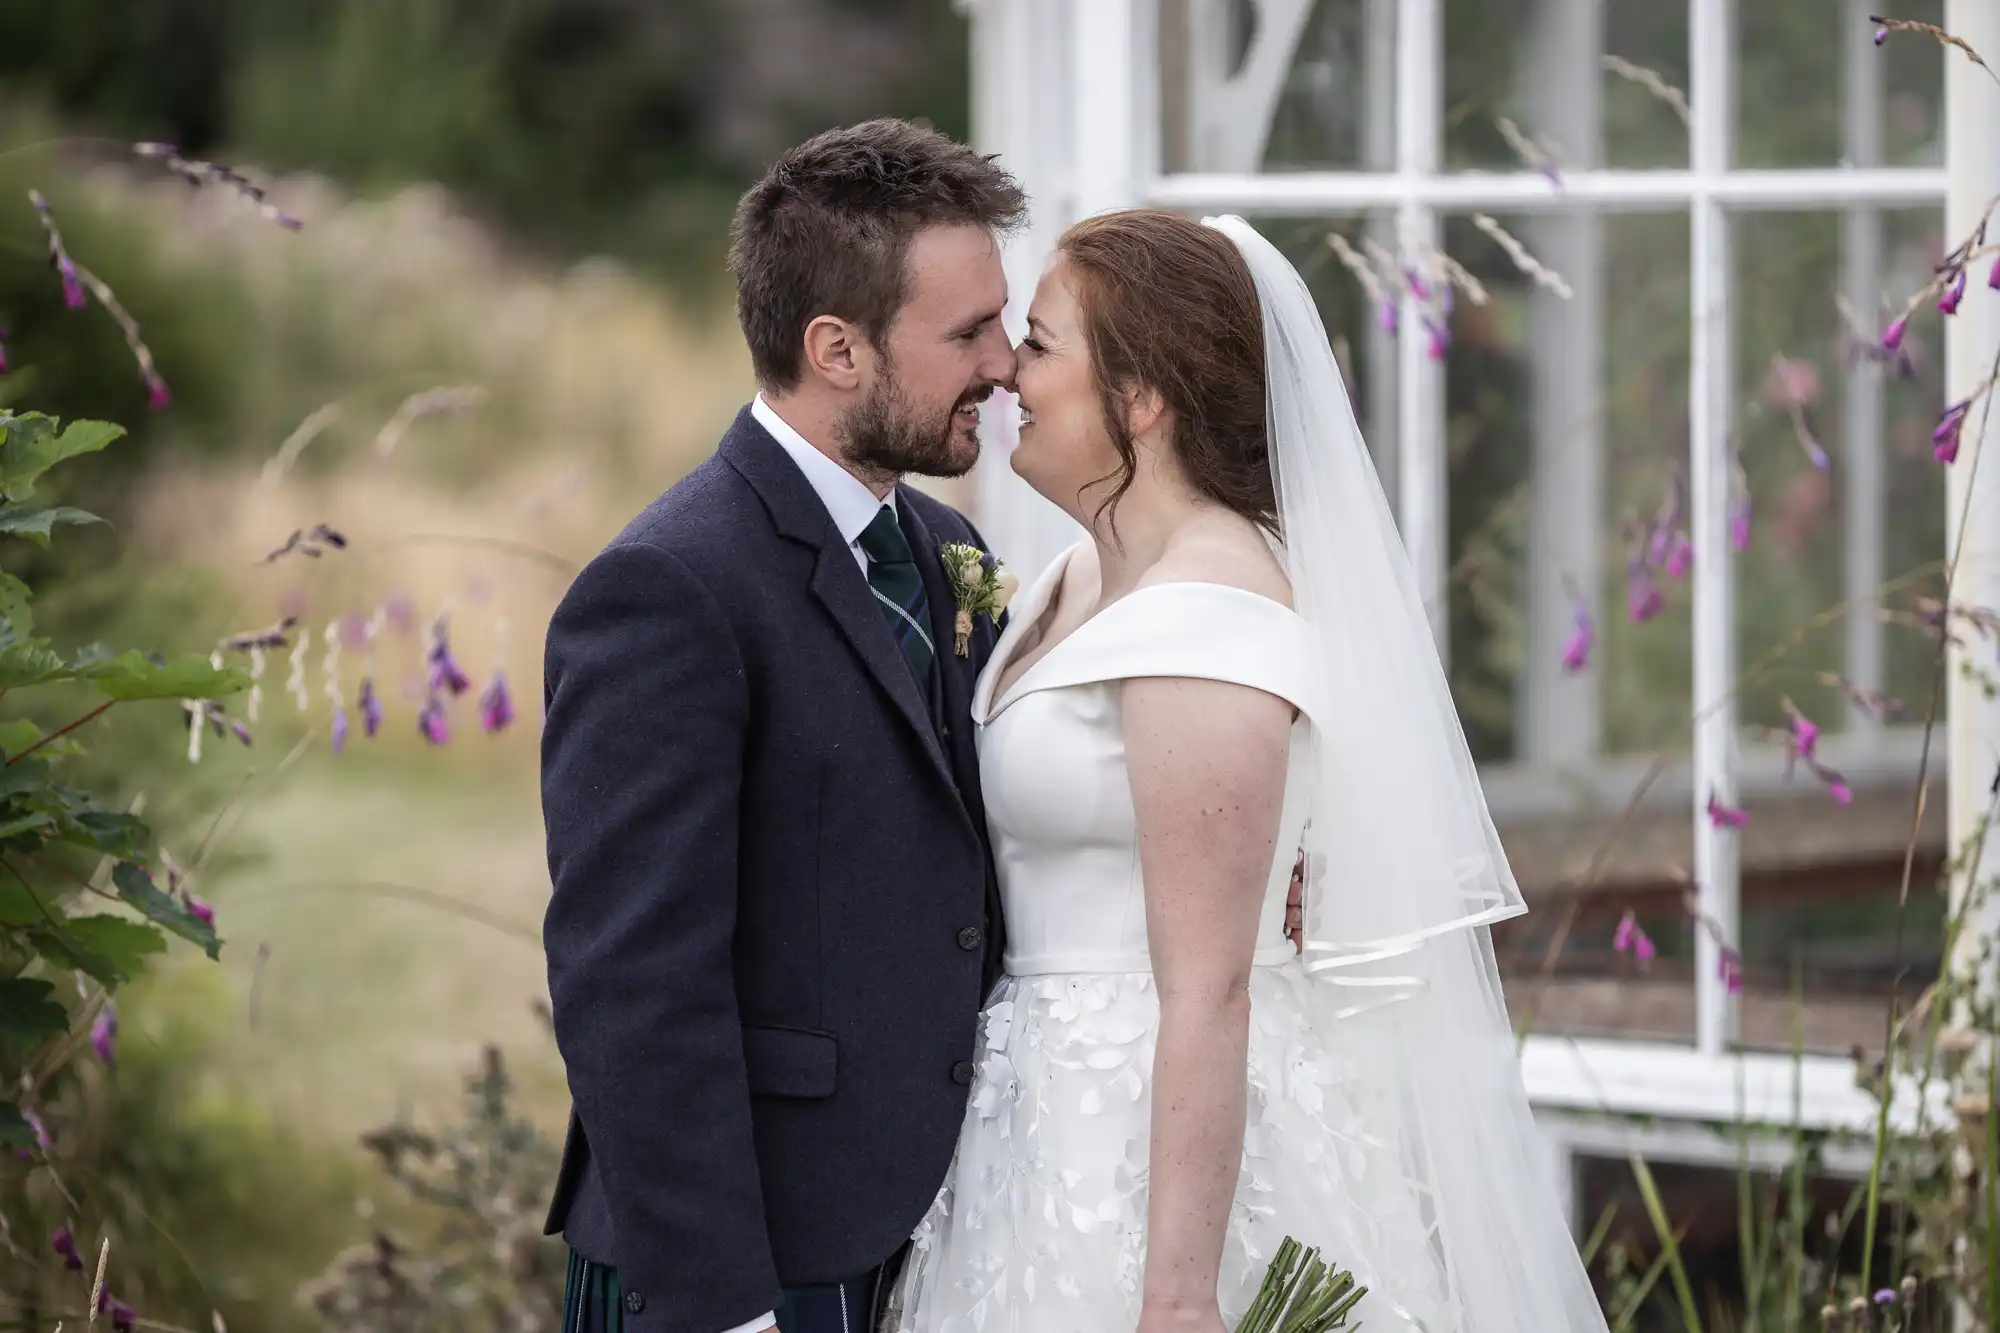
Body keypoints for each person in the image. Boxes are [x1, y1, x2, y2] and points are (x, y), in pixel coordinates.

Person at [883, 210, 1609, 1333]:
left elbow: (1210, 983)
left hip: (1154, 1153)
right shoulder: (1073, 577)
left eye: (1039, 342)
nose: (1007, 372)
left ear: (1142, 397)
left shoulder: (1207, 613)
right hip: (1042, 1127)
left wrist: (1176, 1292)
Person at [539, 119, 1025, 1333]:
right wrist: (725, 1309)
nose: (1008, 362)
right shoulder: (665, 589)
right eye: (967, 332)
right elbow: (631, 982)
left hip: (935, 1231)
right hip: (742, 1258)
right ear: (837, 349)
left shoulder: (948, 550)